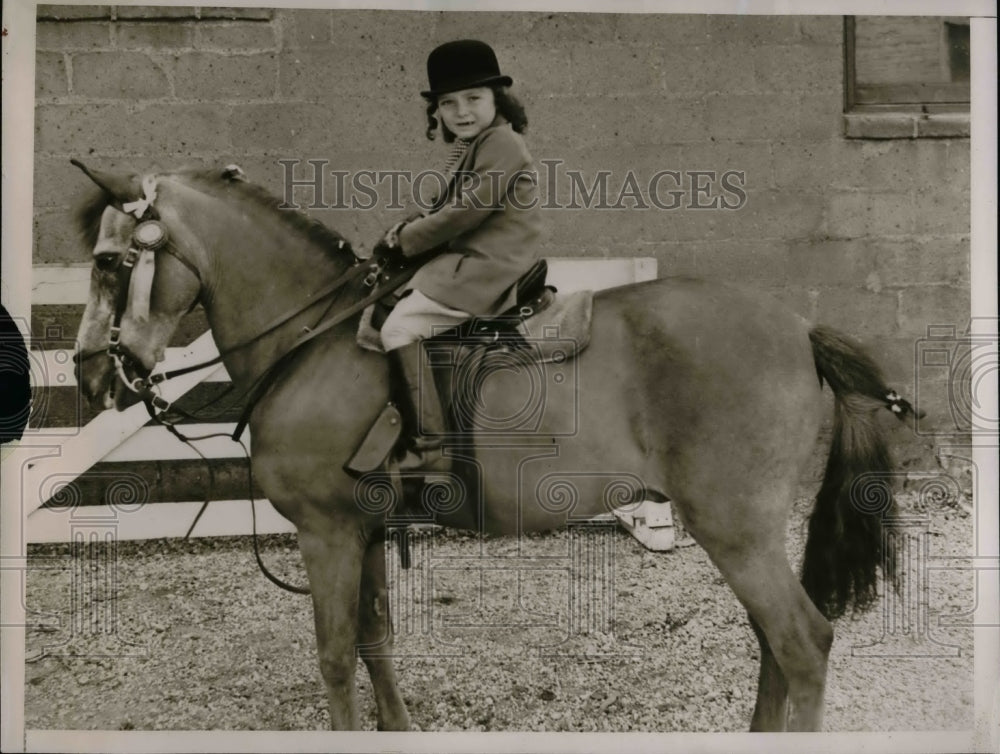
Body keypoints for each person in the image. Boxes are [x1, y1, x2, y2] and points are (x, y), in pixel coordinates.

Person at [371, 39, 541, 472]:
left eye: (473, 99)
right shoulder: (474, 146)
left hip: (487, 266)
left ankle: (431, 451)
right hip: (468, 260)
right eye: (449, 103)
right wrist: (402, 228)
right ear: (437, 111)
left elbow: (464, 213)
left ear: (496, 99)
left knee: (398, 329)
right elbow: (443, 209)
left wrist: (405, 240)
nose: (461, 111)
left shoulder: (502, 144)